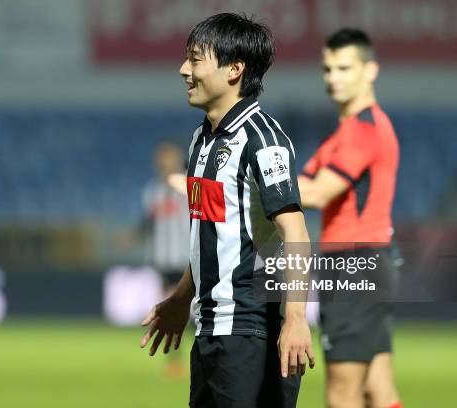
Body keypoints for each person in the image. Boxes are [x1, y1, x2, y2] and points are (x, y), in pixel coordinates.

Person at [140, 13, 315, 408]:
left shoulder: (263, 141)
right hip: (209, 332)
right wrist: (182, 297)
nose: (184, 70)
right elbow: (209, 231)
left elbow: (296, 234)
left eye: (196, 59)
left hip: (251, 333)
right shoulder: (200, 140)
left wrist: (297, 319)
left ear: (234, 69)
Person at [297, 29, 401, 408]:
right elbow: (300, 183)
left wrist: (236, 187)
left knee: (343, 393)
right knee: (378, 388)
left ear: (370, 70)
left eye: (344, 67)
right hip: (373, 259)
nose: (333, 77)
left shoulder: (362, 131)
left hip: (354, 262)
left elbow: (318, 192)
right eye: (327, 69)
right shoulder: (344, 134)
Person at [142, 142, 191, 377]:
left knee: (188, 308)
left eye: (168, 156)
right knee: (170, 308)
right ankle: (175, 359)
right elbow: (148, 221)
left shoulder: (189, 185)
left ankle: (187, 356)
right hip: (163, 258)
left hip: (186, 256)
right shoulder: (153, 190)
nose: (163, 161)